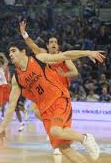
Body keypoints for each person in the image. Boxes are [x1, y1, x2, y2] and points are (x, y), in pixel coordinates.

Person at [0, 39, 105, 163]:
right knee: (64, 148)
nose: (10, 54)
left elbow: (65, 55)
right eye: (9, 52)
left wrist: (88, 52)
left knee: (55, 131)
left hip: (59, 98)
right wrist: (2, 127)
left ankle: (85, 138)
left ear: (23, 51)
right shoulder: (16, 79)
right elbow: (11, 105)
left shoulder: (39, 59)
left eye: (13, 51)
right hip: (45, 110)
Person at [20, 21, 79, 155]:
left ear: (57, 45)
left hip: (60, 93)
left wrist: (64, 74)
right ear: (47, 45)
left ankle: (60, 137)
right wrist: (24, 34)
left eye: (55, 42)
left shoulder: (63, 57)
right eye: (51, 42)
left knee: (58, 120)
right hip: (45, 94)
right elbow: (32, 45)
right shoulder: (43, 55)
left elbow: (75, 72)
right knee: (36, 112)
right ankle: (57, 130)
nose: (53, 44)